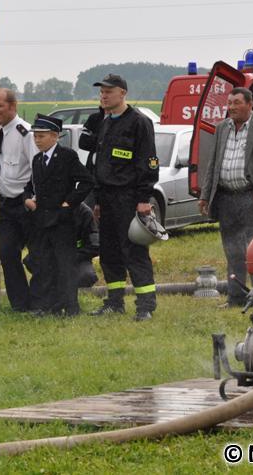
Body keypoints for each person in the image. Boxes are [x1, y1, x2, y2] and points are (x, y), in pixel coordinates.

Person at [88, 74, 159, 321]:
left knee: (134, 252)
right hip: (106, 198)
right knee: (109, 252)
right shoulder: (105, 122)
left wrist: (143, 198)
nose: (103, 96)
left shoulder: (139, 122)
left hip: (129, 197)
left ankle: (145, 306)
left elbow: (149, 162)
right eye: (101, 92)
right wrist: (97, 200)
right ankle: (114, 302)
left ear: (122, 93)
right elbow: (100, 164)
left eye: (108, 92)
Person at [199, 87, 253, 306]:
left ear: (250, 104)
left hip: (251, 198)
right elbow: (213, 164)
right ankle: (235, 297)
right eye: (229, 103)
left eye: (236, 103)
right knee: (232, 249)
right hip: (226, 198)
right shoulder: (221, 128)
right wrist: (206, 195)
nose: (231, 107)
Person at [23, 114, 93, 316]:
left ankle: (70, 307)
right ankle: (45, 305)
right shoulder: (37, 160)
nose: (37, 140)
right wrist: (27, 198)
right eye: (35, 136)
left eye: (42, 136)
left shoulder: (67, 156)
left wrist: (68, 203)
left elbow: (86, 181)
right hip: (41, 220)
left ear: (55, 136)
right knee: (42, 263)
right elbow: (31, 185)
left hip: (62, 221)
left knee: (65, 265)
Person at [0, 88, 38, 311]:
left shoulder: (25, 133)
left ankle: (42, 299)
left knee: (37, 256)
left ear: (12, 107)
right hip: (5, 205)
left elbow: (36, 167)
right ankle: (21, 304)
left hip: (25, 202)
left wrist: (34, 199)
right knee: (7, 253)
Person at [74, 202, 100, 288]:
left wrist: (74, 257)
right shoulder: (49, 209)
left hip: (78, 258)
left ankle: (81, 294)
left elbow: (94, 245)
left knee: (87, 275)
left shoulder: (84, 212)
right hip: (54, 258)